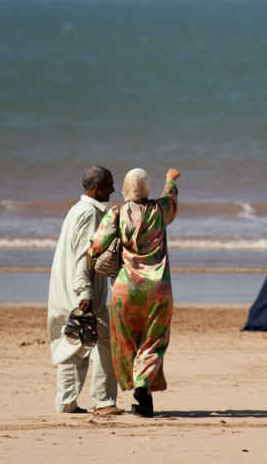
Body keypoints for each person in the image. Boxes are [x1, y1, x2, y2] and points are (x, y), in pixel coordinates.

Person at [90, 167, 179, 418]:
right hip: (158, 288)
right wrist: (170, 180)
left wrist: (90, 263)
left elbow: (97, 245)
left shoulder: (116, 214)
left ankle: (141, 394)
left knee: (127, 342)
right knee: (154, 341)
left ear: (124, 189)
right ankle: (144, 387)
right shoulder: (160, 210)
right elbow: (171, 199)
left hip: (125, 289)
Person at [46, 166, 122, 416]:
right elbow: (83, 256)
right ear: (97, 187)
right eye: (109, 184)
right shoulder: (90, 213)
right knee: (101, 345)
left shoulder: (77, 209)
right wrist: (85, 293)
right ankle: (103, 402)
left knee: (74, 343)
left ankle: (67, 404)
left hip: (69, 289)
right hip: (82, 293)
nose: (113, 189)